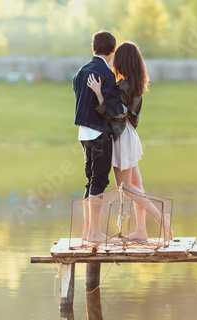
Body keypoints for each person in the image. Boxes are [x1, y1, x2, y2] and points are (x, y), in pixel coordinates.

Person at [87, 41, 173, 241]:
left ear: (122, 61)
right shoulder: (135, 83)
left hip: (121, 135)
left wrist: (99, 93)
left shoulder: (123, 85)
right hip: (129, 134)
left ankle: (161, 218)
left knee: (124, 186)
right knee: (136, 182)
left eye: (117, 58)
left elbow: (115, 113)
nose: (114, 61)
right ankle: (141, 231)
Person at [73, 31, 125, 242]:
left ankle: (88, 232)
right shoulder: (106, 73)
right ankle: (95, 233)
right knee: (100, 181)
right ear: (112, 52)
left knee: (90, 181)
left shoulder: (80, 72)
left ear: (93, 48)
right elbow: (113, 109)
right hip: (100, 133)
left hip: (83, 133)